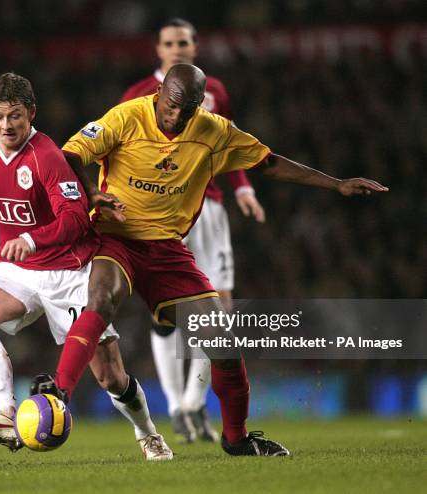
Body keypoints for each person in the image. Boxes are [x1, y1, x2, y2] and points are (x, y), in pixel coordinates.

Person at [33, 63, 388, 457]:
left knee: (223, 342)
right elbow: (67, 156)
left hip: (168, 251)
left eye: (187, 109)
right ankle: (58, 393)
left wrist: (335, 183)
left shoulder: (213, 131)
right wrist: (88, 194)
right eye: (171, 105)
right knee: (101, 297)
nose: (176, 116)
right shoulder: (126, 116)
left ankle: (236, 438)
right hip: (114, 237)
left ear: (199, 104)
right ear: (159, 92)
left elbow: (267, 162)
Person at [0, 72, 172, 460]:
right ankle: (3, 413)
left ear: (31, 113)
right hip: (16, 268)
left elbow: (76, 219)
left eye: (15, 116)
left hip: (68, 270)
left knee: (111, 377)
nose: (6, 125)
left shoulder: (46, 156)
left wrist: (31, 238)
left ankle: (148, 434)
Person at [119, 18, 265, 443]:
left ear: (196, 46)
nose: (177, 48)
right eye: (169, 42)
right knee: (167, 312)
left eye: (184, 41)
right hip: (162, 209)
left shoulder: (214, 91)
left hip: (211, 207)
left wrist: (243, 189)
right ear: (158, 49)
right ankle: (177, 405)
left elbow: (233, 147)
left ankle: (193, 402)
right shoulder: (136, 95)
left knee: (220, 310)